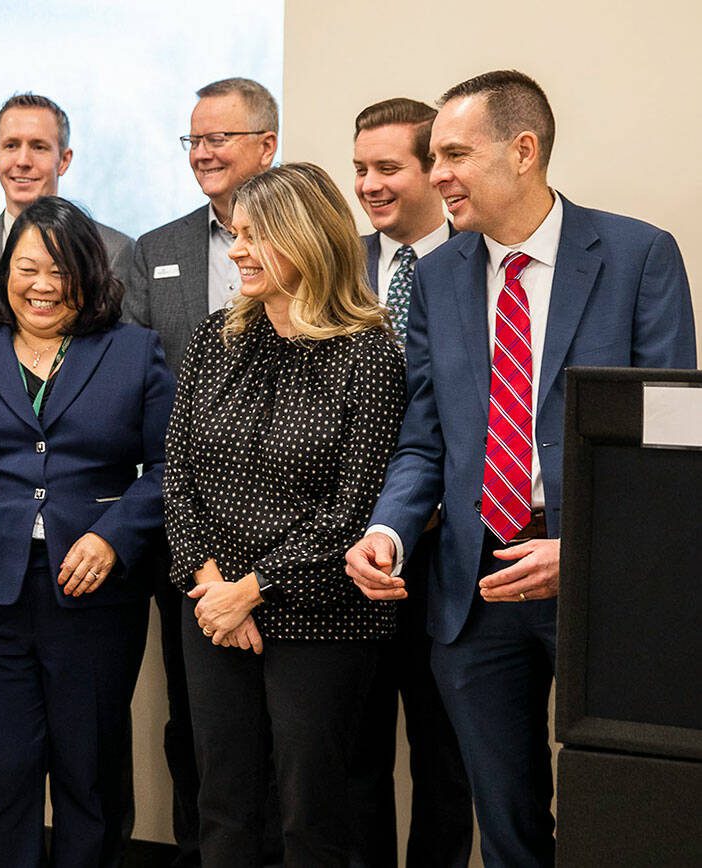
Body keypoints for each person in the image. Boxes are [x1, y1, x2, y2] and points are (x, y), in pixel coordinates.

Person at [346, 70, 696, 868]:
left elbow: (670, 451)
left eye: (454, 155)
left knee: (619, 815)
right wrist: (388, 533)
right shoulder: (438, 277)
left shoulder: (638, 255)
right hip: (475, 592)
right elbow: (426, 441)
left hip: (601, 587)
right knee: (505, 830)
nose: (436, 176)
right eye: (432, 157)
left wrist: (587, 553)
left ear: (524, 151)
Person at [0, 196, 173, 867]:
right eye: (27, 268)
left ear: (90, 273)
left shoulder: (135, 352)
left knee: (89, 771)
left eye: (61, 270)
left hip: (95, 589)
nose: (44, 285)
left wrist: (114, 535)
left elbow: (173, 465)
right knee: (1, 772)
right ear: (4, 275)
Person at [164, 163, 407, 867]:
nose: (237, 250)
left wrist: (253, 589)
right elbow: (178, 476)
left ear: (307, 241)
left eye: (255, 236)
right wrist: (213, 586)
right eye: (237, 234)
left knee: (312, 815)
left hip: (320, 617)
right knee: (224, 804)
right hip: (212, 608)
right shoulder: (217, 339)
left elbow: (352, 509)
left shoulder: (368, 355)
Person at [123, 76, 282, 867]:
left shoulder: (317, 242)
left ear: (268, 145)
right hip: (186, 529)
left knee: (290, 734)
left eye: (221, 136)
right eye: (194, 139)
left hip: (288, 537)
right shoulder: (156, 251)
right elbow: (139, 387)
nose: (205, 152)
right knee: (198, 721)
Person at [348, 97, 473, 868]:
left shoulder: (478, 263)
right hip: (351, 555)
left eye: (387, 168)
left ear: (434, 169)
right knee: (355, 751)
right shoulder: (340, 267)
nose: (369, 184)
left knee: (445, 753)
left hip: (452, 552)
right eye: (360, 168)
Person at [0, 93, 136, 392]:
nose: (22, 161)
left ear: (64, 159)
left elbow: (127, 373)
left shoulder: (115, 251)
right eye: (11, 146)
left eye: (39, 147)